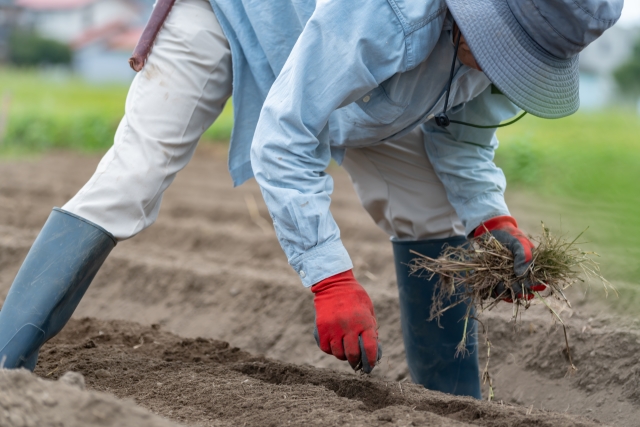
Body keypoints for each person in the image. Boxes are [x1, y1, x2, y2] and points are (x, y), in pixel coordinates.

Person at [0, 0, 622, 398]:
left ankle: (451, 406)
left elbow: (459, 145)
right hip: (232, 14)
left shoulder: (489, 60)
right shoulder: (391, 14)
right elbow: (289, 131)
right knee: (134, 177)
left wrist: (491, 218)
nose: (501, 65)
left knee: (430, 211)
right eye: (502, 47)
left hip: (360, 81)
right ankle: (8, 364)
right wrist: (330, 278)